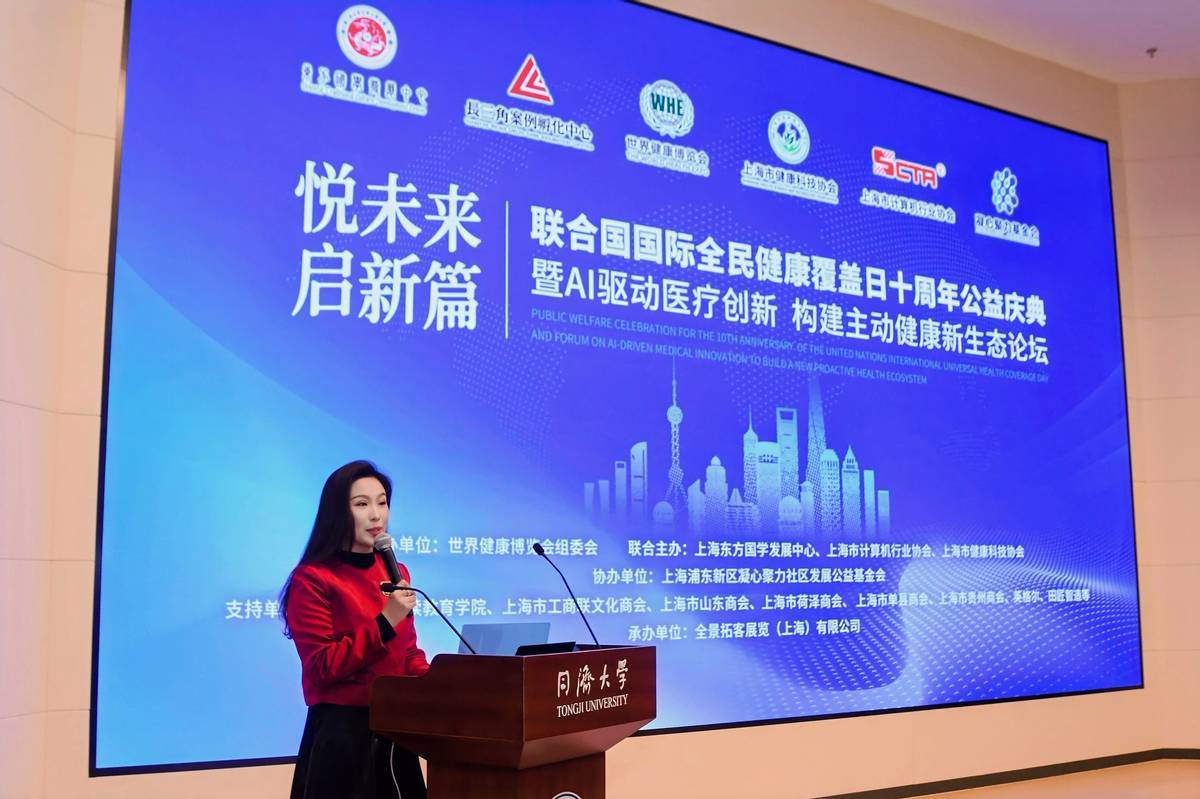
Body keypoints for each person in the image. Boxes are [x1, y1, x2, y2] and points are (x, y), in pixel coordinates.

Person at [281, 460, 429, 799]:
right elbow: (322, 667)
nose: (376, 515)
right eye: (362, 504)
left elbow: (407, 652)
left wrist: (441, 684)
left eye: (382, 502)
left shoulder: (396, 570)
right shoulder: (313, 579)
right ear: (337, 513)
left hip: (395, 735)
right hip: (342, 741)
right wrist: (385, 621)